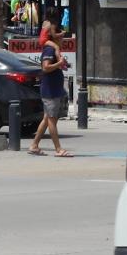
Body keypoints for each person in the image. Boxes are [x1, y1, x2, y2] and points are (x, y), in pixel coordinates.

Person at [28, 28, 72, 158]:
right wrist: (59, 63)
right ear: (56, 38)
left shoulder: (54, 50)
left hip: (54, 90)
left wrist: (63, 64)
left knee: (47, 119)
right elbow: (45, 67)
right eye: (61, 37)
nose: (63, 40)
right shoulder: (49, 50)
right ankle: (58, 149)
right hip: (50, 91)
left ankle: (34, 145)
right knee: (52, 120)